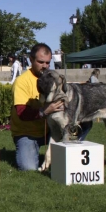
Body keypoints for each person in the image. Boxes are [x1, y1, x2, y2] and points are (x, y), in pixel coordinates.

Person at [10, 43, 93, 171]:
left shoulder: (54, 78)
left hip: (50, 130)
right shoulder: (21, 82)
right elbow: (22, 113)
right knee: (29, 168)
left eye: (48, 63)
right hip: (27, 133)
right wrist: (45, 111)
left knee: (86, 122)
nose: (45, 66)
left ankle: (67, 153)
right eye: (41, 62)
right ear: (31, 60)